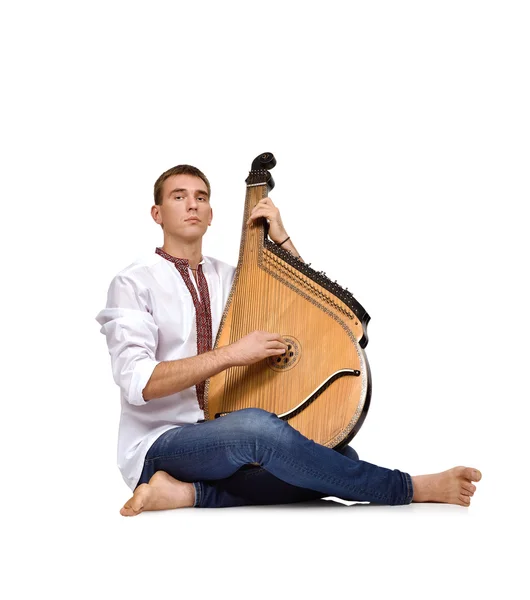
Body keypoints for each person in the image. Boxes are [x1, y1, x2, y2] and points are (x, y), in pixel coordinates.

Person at [95, 164, 482, 516]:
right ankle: (409, 487)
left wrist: (281, 241)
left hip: (223, 431)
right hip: (160, 443)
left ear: (212, 215)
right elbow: (139, 383)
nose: (192, 205)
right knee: (260, 431)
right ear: (157, 214)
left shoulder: (232, 279)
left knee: (337, 454)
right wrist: (232, 354)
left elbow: (303, 305)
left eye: (201, 197)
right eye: (178, 197)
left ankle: (187, 495)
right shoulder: (133, 282)